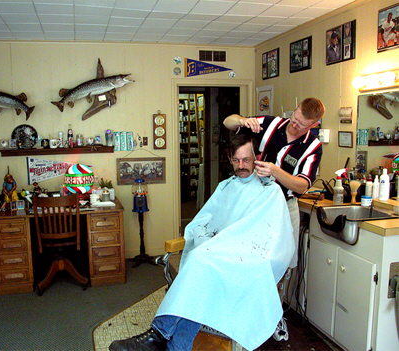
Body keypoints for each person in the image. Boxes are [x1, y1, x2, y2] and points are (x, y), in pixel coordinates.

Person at [109, 134, 295, 351]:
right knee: (202, 278)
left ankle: (158, 334)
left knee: (200, 264)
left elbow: (274, 240)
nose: (241, 165)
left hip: (250, 263)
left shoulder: (270, 191)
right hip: (220, 257)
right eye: (236, 160)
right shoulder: (226, 187)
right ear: (230, 159)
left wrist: (231, 247)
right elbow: (205, 221)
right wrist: (214, 241)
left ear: (257, 158)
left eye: (246, 159)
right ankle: (171, 344)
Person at [223, 97, 325, 341]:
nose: (295, 125)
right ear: (295, 110)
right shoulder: (271, 124)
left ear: (314, 124)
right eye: (295, 118)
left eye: (302, 124)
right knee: (246, 255)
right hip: (253, 202)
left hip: (283, 206)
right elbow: (228, 123)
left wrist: (277, 171)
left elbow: (302, 186)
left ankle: (272, 315)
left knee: (280, 263)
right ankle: (240, 312)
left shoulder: (313, 146)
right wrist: (242, 120)